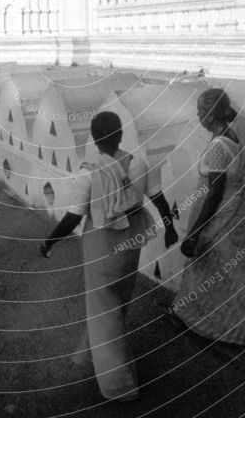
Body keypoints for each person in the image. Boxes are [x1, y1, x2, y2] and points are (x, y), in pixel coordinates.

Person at [40, 110, 178, 402]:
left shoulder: (88, 171)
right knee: (116, 303)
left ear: (92, 137)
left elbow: (72, 218)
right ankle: (88, 351)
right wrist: (170, 229)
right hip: (131, 245)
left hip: (101, 248)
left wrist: (49, 242)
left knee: (104, 311)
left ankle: (119, 384)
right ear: (120, 135)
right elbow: (159, 198)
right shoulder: (138, 162)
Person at [170, 89, 245, 355]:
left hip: (218, 220)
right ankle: (187, 314)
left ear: (212, 114)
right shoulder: (230, 137)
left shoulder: (219, 147)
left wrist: (196, 232)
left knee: (232, 277)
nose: (198, 116)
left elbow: (214, 195)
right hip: (229, 217)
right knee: (204, 272)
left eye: (201, 111)